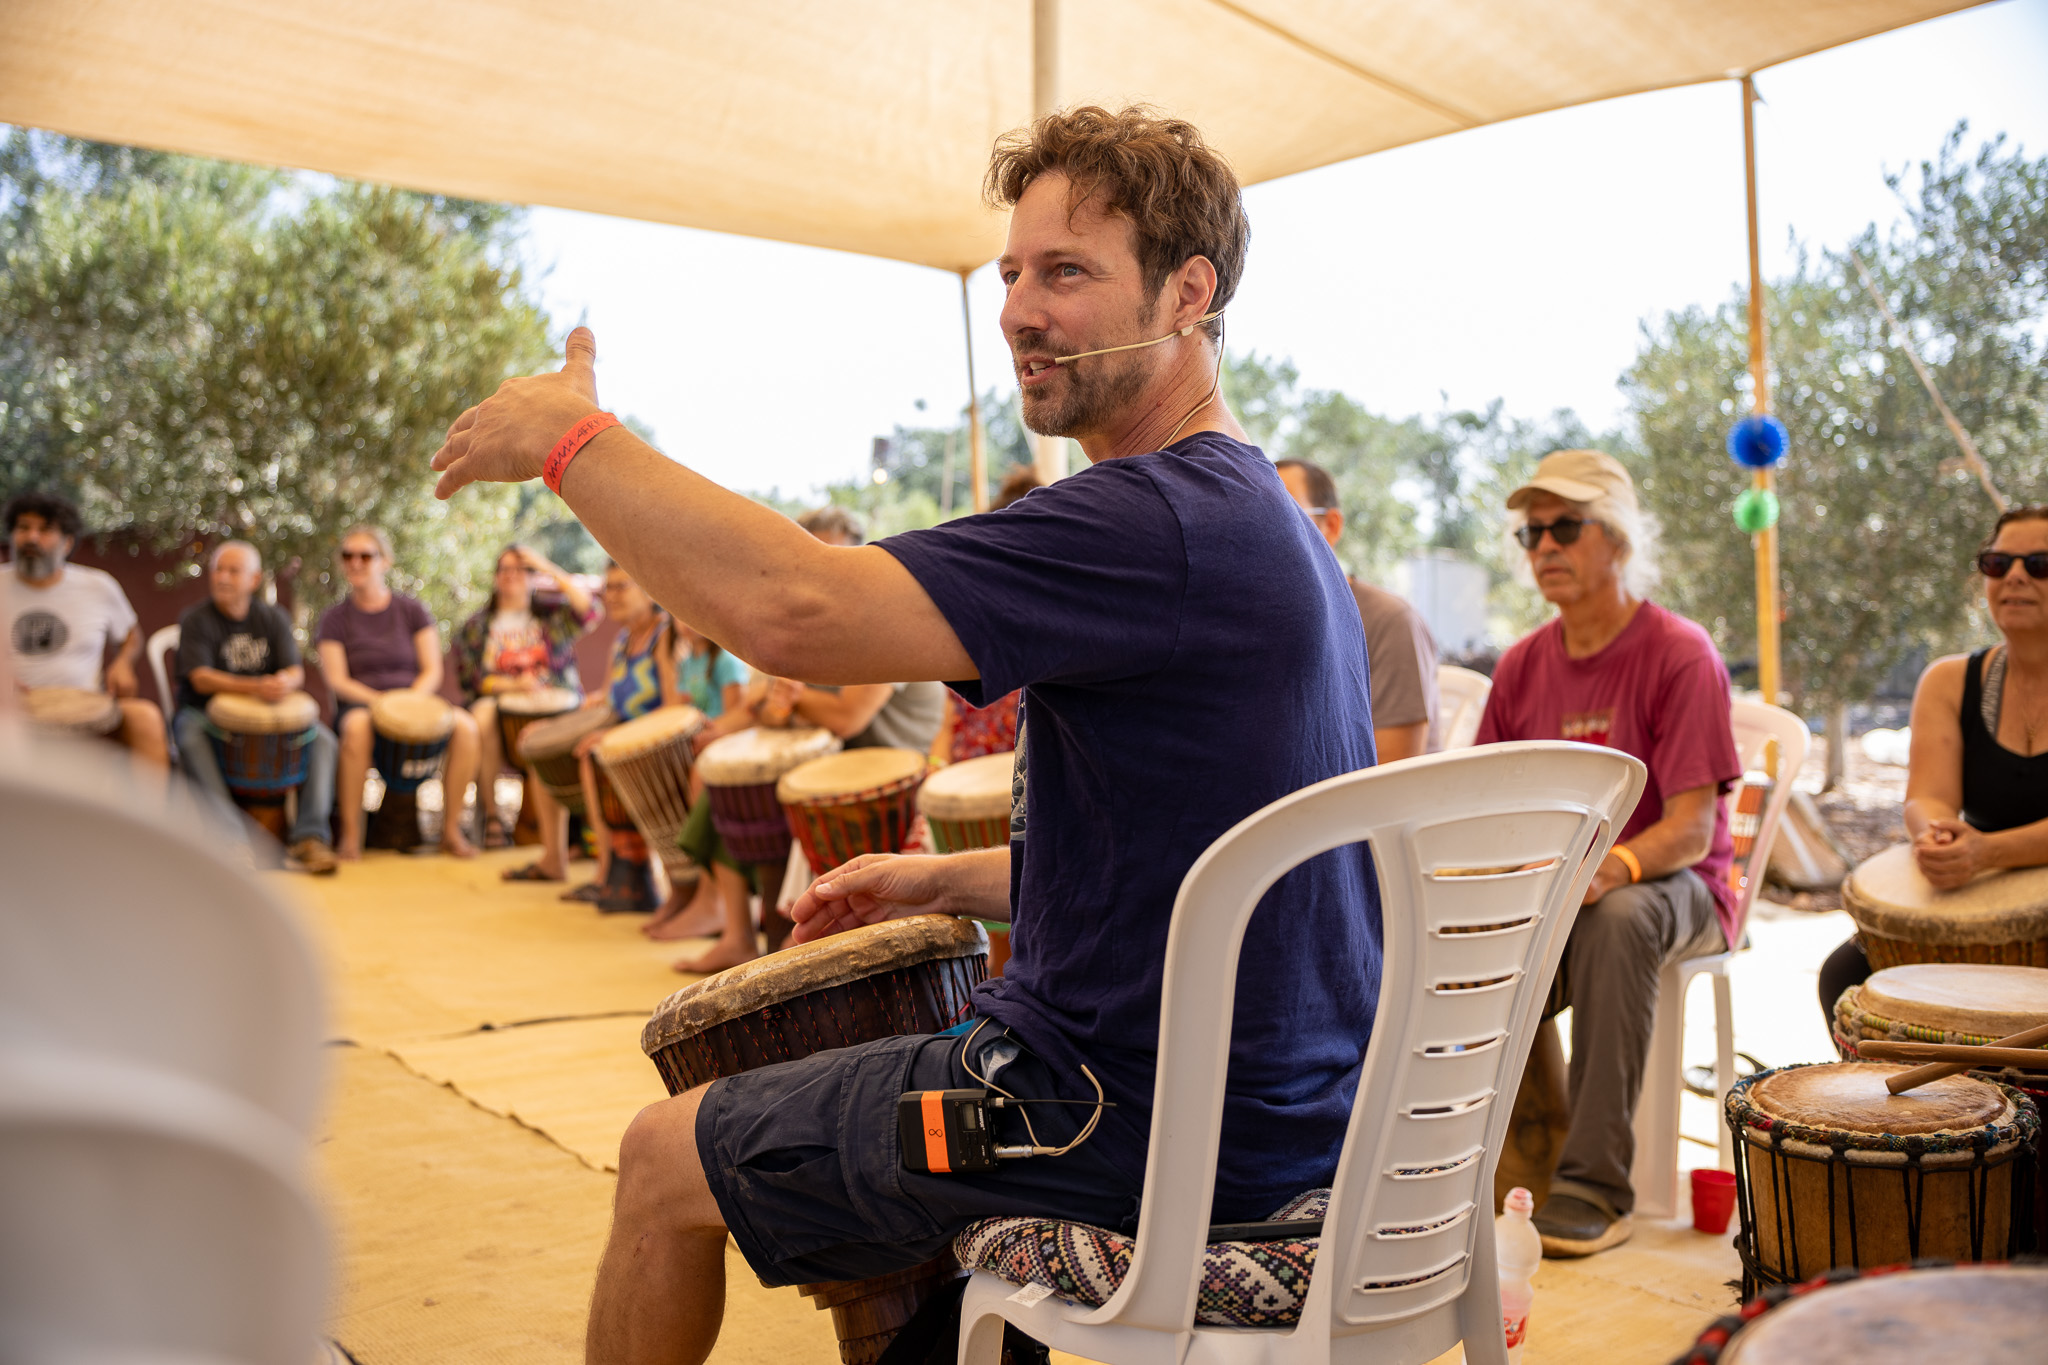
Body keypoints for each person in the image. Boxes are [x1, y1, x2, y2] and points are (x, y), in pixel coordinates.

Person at [431, 104, 1380, 1365]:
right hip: (1273, 1114)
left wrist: (572, 443)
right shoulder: (1251, 513)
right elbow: (1200, 873)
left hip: (1114, 1121)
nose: (1019, 311)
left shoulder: (1148, 517)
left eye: (1066, 273)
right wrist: (945, 878)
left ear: (1188, 291)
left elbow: (794, 607)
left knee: (663, 1162)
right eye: (1010, 274)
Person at [1474, 448, 1741, 1258]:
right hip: (1560, 894)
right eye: (1531, 532)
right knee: (1452, 934)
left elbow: (1693, 830)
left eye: (1566, 526)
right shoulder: (1521, 663)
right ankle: (1461, 1171)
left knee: (1615, 917)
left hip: (1677, 886)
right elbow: (1492, 809)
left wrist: (1607, 869)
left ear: (1618, 540)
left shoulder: (1679, 651)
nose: (1544, 546)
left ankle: (1596, 1185)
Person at [1817, 503, 2048, 1021]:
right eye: (1997, 563)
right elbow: (1929, 795)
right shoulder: (1951, 681)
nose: (2014, 576)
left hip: (1994, 867)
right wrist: (1937, 835)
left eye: (2039, 565)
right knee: (1844, 976)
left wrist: (1988, 852)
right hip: (1984, 884)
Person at [502, 560, 669, 900]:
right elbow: (608, 700)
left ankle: (606, 872)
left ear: (649, 591)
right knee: (541, 745)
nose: (612, 596)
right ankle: (553, 859)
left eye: (622, 587)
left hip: (649, 736)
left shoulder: (662, 637)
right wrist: (554, 725)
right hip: (617, 727)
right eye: (608, 588)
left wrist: (611, 735)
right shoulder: (623, 641)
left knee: (590, 753)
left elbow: (671, 705)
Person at [173, 541, 339, 873]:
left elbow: (294, 670)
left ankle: (310, 837)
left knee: (322, 739)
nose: (222, 577)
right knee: (187, 734)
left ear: (254, 579)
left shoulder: (272, 618)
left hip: (266, 718)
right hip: (207, 716)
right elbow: (201, 679)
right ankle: (231, 842)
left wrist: (285, 682)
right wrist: (256, 687)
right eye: (218, 569)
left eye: (233, 571)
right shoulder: (196, 619)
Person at [316, 524, 480, 860]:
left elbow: (432, 669)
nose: (356, 562)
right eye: (348, 556)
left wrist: (409, 703)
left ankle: (450, 832)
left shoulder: (412, 610)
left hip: (414, 701)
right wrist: (382, 704)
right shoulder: (334, 618)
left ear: (385, 561)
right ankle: (351, 836)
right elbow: (338, 680)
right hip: (363, 706)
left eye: (365, 555)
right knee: (357, 728)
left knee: (466, 727)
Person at [1276, 457, 1442, 761]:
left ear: (1332, 526)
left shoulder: (1390, 621)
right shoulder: (1268, 622)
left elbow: (1392, 778)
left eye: (1285, 514)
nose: (1269, 532)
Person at [2, 489, 169, 768]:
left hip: (87, 708)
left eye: (45, 530)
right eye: (23, 528)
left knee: (146, 718)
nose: (31, 538)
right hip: (11, 714)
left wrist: (123, 663)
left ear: (67, 543)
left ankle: (147, 812)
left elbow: (131, 635)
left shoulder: (98, 586)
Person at [454, 543, 598, 846]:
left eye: (521, 568)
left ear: (533, 576)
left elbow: (590, 611)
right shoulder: (477, 626)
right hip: (502, 710)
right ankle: (492, 816)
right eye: (505, 568)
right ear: (495, 577)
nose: (512, 575)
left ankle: (577, 830)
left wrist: (546, 566)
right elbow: (472, 679)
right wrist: (513, 686)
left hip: (556, 703)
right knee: (481, 713)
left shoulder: (552, 616)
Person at [787, 506, 946, 753]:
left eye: (834, 560)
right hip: (846, 766)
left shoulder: (890, 619)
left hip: (908, 775)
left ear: (861, 561)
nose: (822, 575)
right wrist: (779, 703)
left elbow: (846, 718)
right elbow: (767, 707)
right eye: (809, 564)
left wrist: (791, 699)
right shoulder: (806, 628)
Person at [927, 467, 1038, 766]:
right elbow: (949, 723)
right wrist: (935, 768)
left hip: (1012, 791)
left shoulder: (1051, 629)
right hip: (963, 784)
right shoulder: (973, 621)